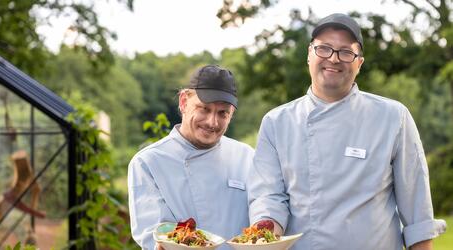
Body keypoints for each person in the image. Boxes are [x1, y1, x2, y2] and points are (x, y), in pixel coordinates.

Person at [248, 13, 446, 250]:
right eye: (324, 49)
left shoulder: (393, 117)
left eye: (346, 52)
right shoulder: (276, 122)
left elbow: (418, 215)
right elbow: (269, 197)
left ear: (359, 63)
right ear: (309, 55)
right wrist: (265, 228)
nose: (333, 59)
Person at [128, 65, 254, 250]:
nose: (212, 122)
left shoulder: (247, 156)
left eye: (222, 113)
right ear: (183, 102)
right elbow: (155, 234)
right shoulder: (148, 163)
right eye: (204, 109)